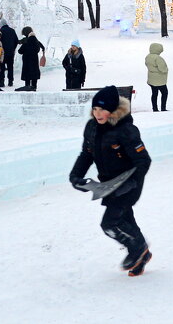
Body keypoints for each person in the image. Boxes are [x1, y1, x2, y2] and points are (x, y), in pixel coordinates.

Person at [69, 87, 153, 276]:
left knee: (110, 224)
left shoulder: (126, 130)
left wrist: (130, 183)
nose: (98, 113)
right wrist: (76, 176)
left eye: (102, 109)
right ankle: (143, 255)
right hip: (108, 184)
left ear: (113, 110)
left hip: (129, 184)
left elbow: (143, 161)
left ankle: (136, 247)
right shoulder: (92, 128)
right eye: (95, 109)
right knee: (126, 220)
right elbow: (86, 154)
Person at [17, 26, 45, 91]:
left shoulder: (25, 41)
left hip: (26, 61)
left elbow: (20, 51)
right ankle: (34, 87)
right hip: (34, 60)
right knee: (34, 74)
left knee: (27, 75)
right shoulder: (36, 41)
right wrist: (43, 49)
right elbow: (41, 47)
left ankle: (27, 87)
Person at [145, 43, 168, 110]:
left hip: (151, 79)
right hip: (159, 80)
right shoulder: (158, 58)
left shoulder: (148, 56)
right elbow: (162, 69)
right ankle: (163, 108)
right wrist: (166, 70)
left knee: (154, 94)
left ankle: (155, 108)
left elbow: (147, 64)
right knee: (164, 93)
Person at [0, 19, 19, 87]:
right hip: (11, 53)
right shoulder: (12, 30)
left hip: (2, 53)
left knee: (1, 67)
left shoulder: (0, 31)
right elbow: (16, 41)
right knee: (10, 67)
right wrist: (13, 48)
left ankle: (1, 81)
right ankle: (10, 81)